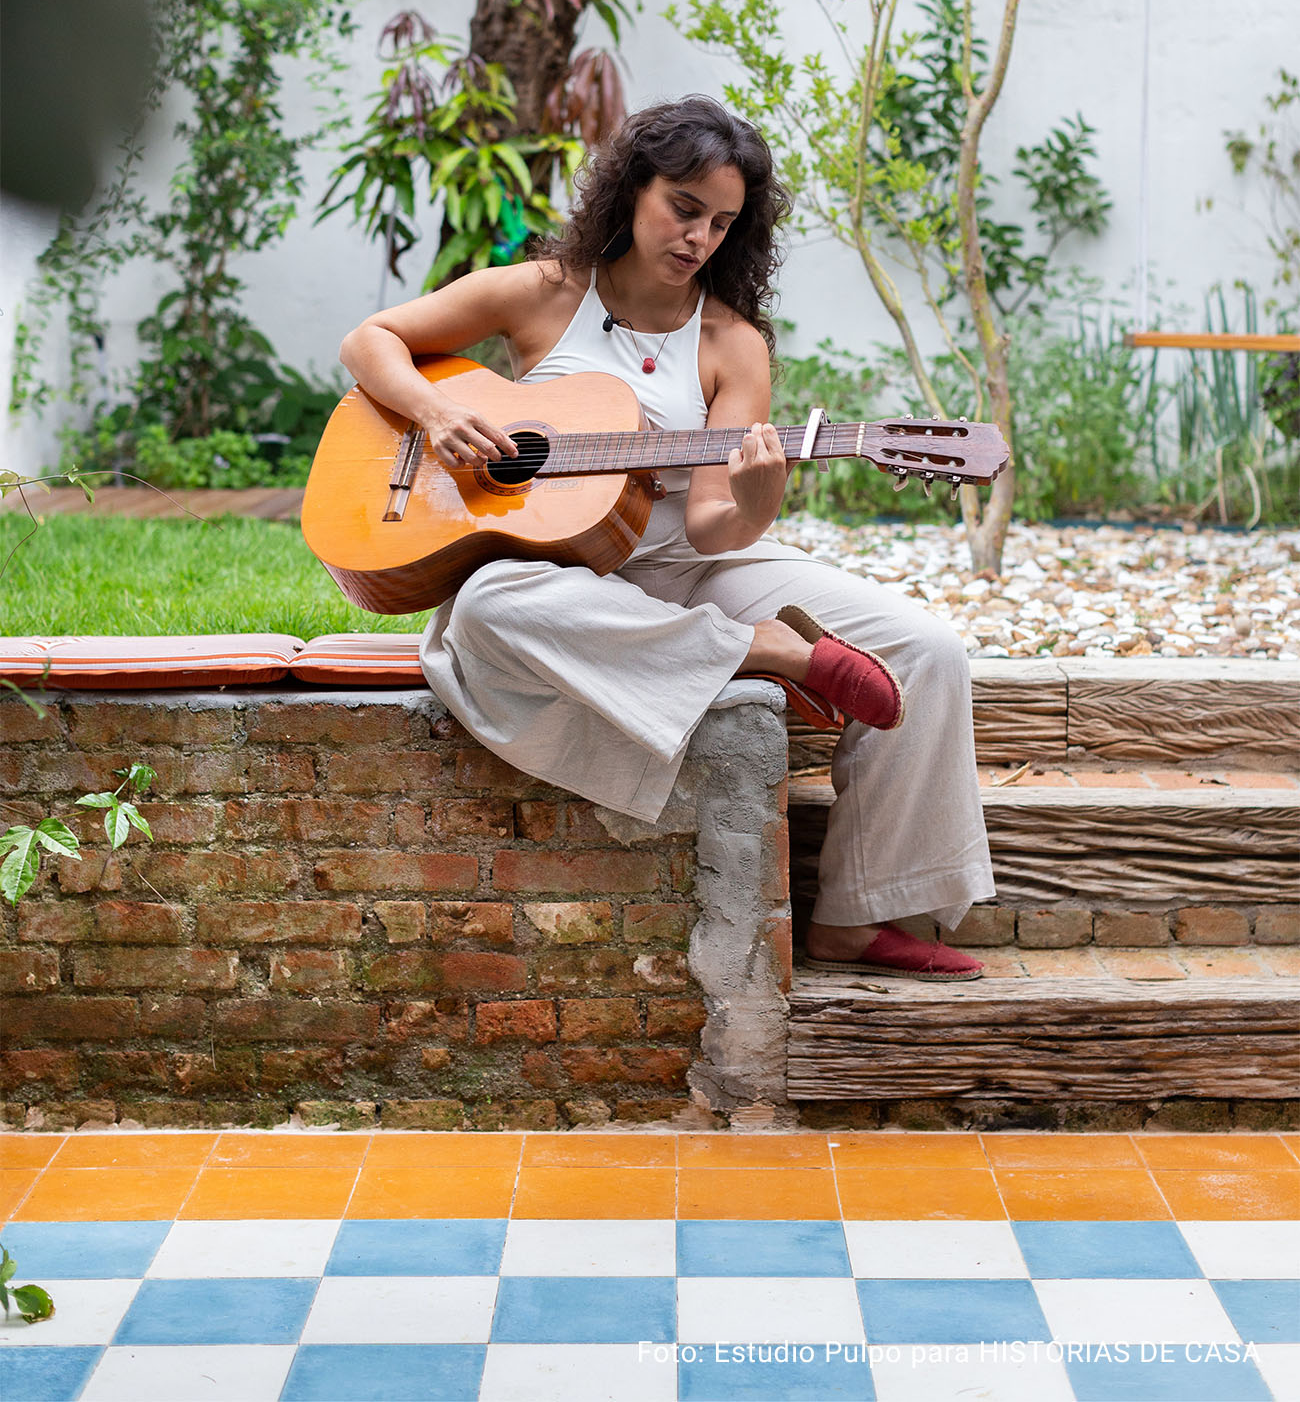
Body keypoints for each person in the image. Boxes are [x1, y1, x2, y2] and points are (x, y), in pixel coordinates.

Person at [339, 95, 994, 980]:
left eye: (723, 223)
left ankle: (858, 916)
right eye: (684, 209)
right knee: (487, 607)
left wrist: (759, 499)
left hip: (698, 566)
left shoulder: (732, 344)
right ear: (631, 190)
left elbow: (719, 526)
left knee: (929, 649)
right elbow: (369, 340)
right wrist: (436, 410)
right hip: (566, 579)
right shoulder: (542, 292)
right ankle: (760, 651)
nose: (699, 238)